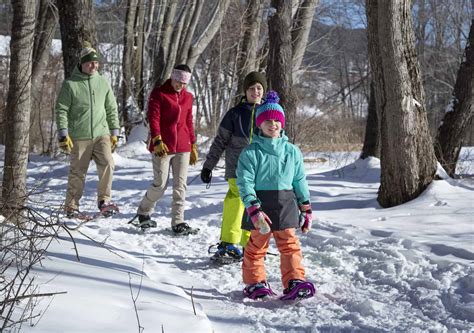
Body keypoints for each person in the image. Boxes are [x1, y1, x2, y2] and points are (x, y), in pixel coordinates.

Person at [236, 90, 315, 300]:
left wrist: (305, 207)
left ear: (282, 123)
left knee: (290, 245)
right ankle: (255, 283)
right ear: (259, 125)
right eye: (268, 121)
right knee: (256, 246)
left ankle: (294, 280)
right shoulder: (251, 152)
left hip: (286, 203)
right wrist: (253, 208)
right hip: (260, 207)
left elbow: (299, 180)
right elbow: (245, 182)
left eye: (277, 120)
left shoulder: (292, 151)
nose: (273, 124)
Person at [201, 71, 267, 263]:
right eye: (252, 88)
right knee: (237, 201)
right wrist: (208, 166)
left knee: (255, 206)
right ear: (245, 91)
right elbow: (220, 141)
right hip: (237, 169)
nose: (255, 91)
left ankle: (250, 245)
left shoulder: (268, 114)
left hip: (261, 172)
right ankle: (229, 243)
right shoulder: (235, 114)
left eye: (259, 88)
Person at [56, 42, 120, 217]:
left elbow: (111, 108)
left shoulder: (103, 83)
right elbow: (61, 109)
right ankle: (71, 206)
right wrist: (63, 133)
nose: (94, 65)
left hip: (102, 134)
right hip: (79, 135)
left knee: (108, 163)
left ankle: (104, 200)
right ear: (82, 64)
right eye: (90, 63)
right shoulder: (70, 84)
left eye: (96, 62)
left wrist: (114, 132)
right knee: (78, 172)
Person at [134, 64, 199, 235]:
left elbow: (189, 121)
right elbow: (153, 118)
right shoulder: (159, 93)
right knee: (160, 185)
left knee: (180, 186)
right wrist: (156, 139)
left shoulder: (188, 97)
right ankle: (143, 211)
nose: (180, 85)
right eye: (178, 81)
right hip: (162, 146)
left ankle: (178, 221)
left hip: (183, 146)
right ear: (172, 77)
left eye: (184, 83)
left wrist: (192, 144)